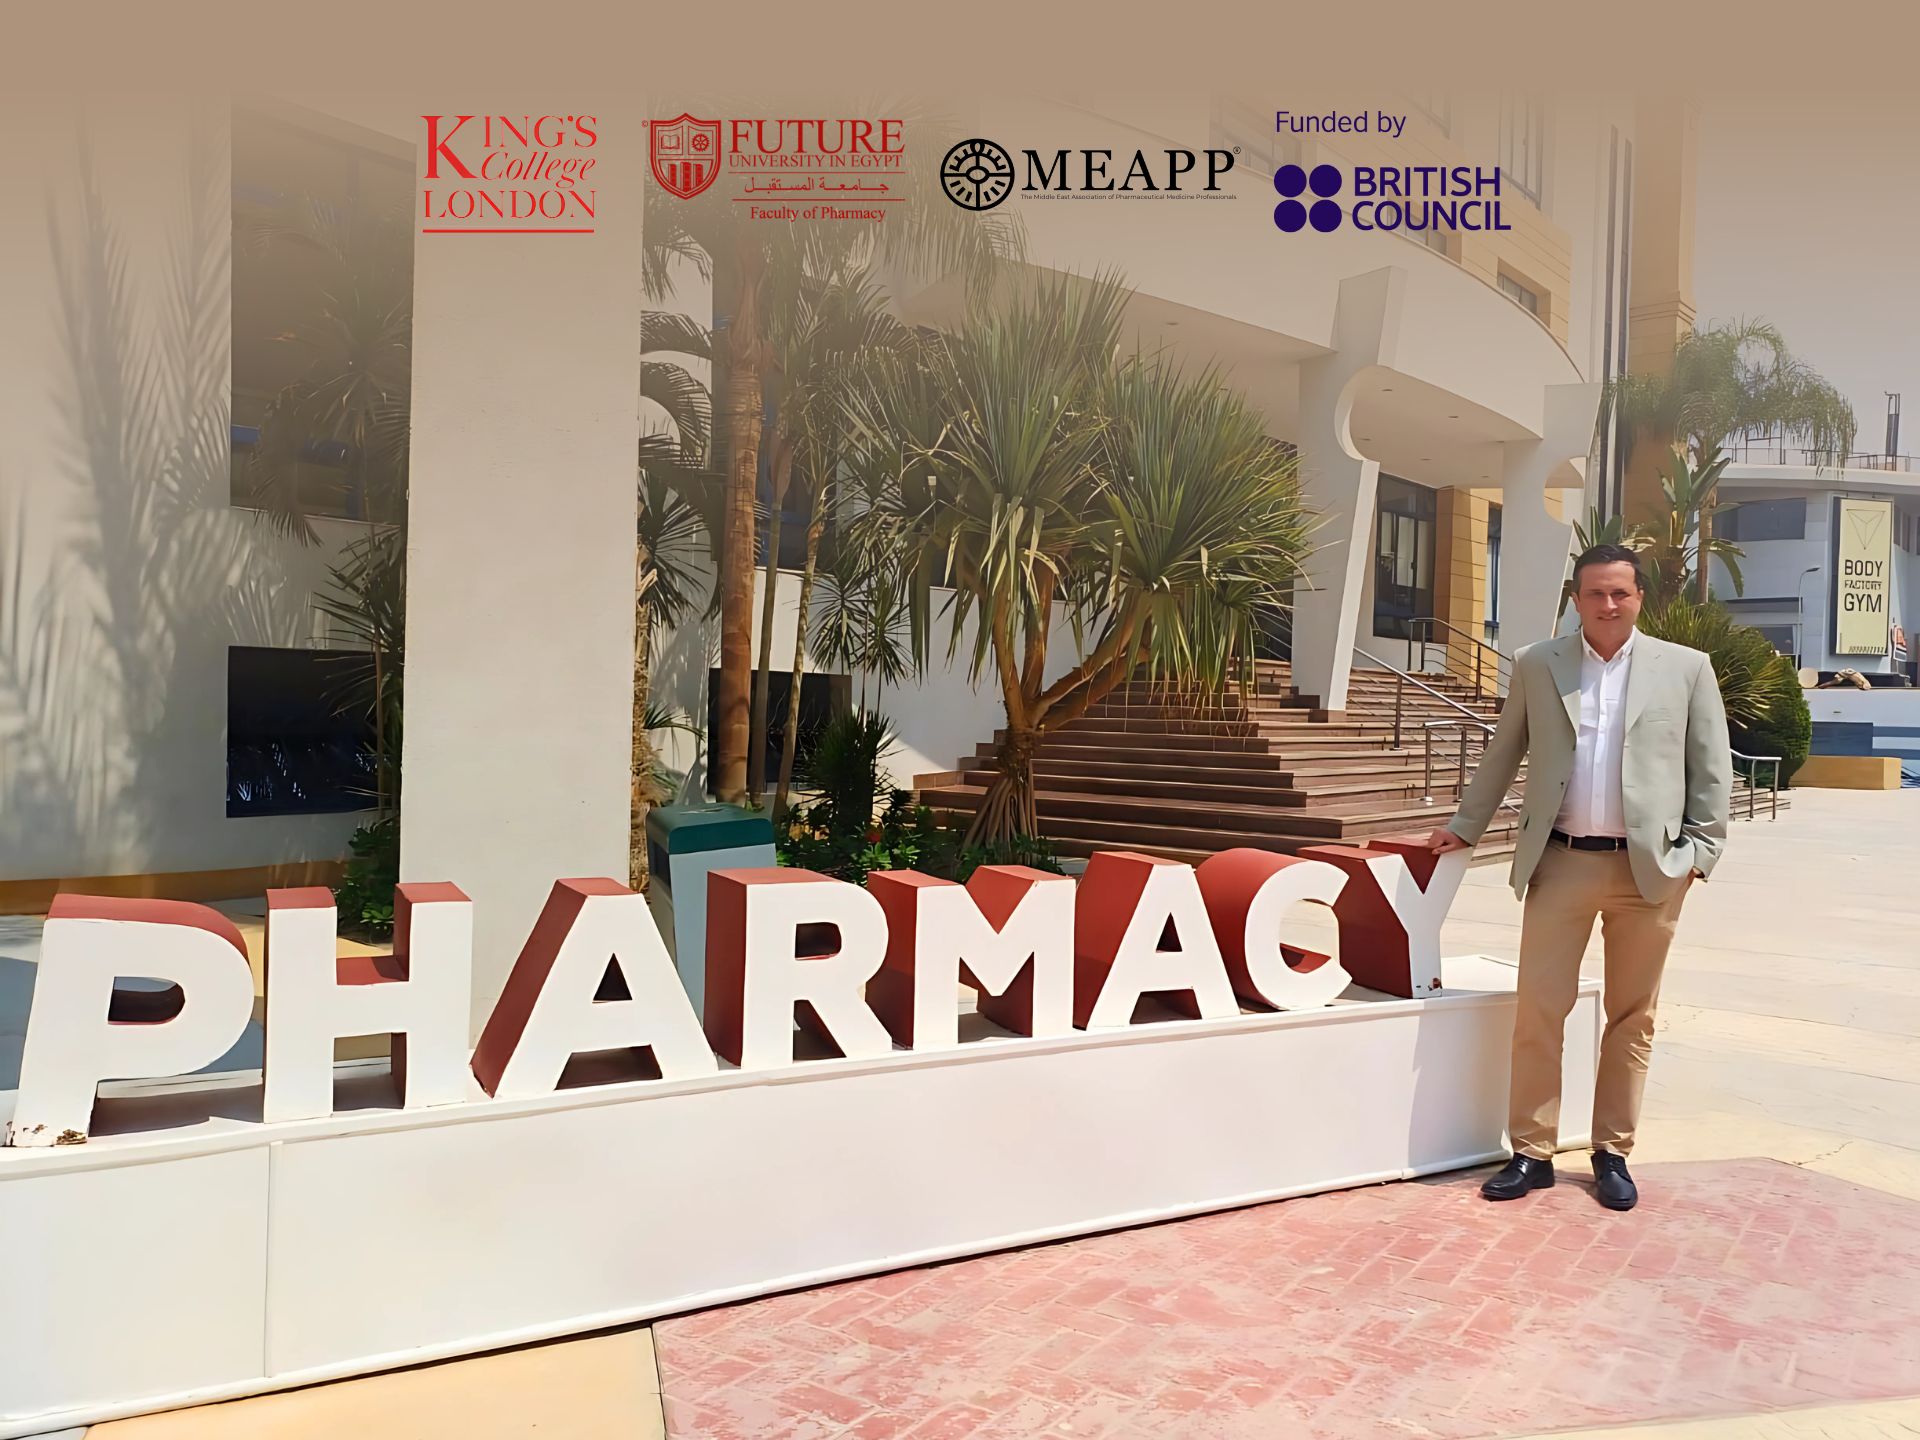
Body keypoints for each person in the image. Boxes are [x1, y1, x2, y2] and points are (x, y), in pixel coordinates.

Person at [1427, 544, 1731, 1211]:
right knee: (1540, 1009)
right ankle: (1531, 1152)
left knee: (1632, 1016)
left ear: (1640, 597)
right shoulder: (1540, 663)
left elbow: (1711, 768)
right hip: (1560, 862)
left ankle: (1611, 1152)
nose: (1608, 604)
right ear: (1576, 599)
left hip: (1649, 872)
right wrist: (1466, 825)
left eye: (1620, 592)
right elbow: (1504, 749)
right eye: (1596, 593)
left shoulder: (1686, 668)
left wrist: (1700, 853)